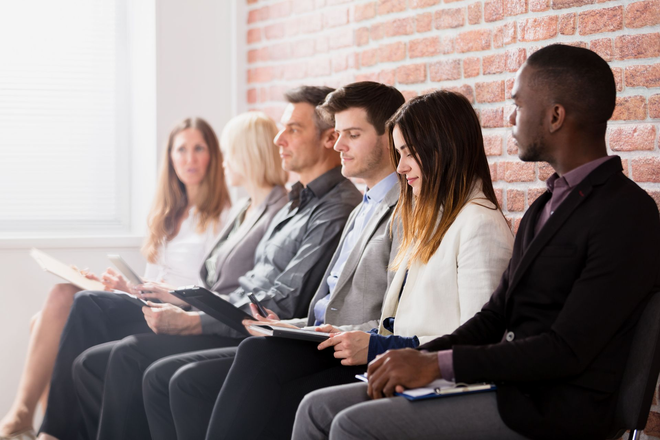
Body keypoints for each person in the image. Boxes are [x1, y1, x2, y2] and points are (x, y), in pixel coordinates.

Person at [293, 44, 660, 440]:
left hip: (555, 408)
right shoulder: (544, 206)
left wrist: (437, 367)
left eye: (518, 105)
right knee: (317, 408)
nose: (509, 117)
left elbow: (567, 349)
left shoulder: (626, 212)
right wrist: (417, 356)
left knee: (352, 425)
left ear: (555, 116)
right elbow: (493, 317)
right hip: (512, 389)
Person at [202, 88, 514, 440]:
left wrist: (378, 345)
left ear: (443, 149)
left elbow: (477, 344)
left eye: (409, 154)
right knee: (265, 362)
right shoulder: (432, 220)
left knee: (287, 388)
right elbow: (392, 319)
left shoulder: (480, 225)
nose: (401, 167)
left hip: (427, 375)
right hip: (393, 358)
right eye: (400, 154)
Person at [69, 86, 363, 440]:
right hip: (237, 319)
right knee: (96, 343)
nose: (279, 139)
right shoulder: (295, 203)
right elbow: (249, 284)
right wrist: (184, 300)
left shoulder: (335, 207)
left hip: (258, 331)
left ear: (328, 139)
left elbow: (283, 302)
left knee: (140, 361)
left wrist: (193, 320)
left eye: (293, 129)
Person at [141, 81, 406, 440]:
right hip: (308, 334)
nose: (340, 143)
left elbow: (393, 312)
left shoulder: (384, 209)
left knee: (230, 362)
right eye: (339, 134)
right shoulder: (361, 206)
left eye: (351, 134)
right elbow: (318, 303)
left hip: (344, 347)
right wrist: (292, 326)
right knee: (182, 373)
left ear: (389, 138)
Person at [33, 112, 288, 440]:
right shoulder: (197, 213)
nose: (197, 159)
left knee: (86, 307)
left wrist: (173, 297)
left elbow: (218, 285)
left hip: (193, 310)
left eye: (203, 149)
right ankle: (52, 430)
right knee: (73, 309)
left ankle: (50, 432)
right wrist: (129, 289)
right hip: (169, 300)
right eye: (181, 150)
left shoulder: (231, 214)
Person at [0, 117, 230, 440]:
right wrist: (120, 288)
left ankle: (42, 429)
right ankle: (33, 421)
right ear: (170, 157)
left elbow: (211, 289)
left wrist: (144, 295)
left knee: (70, 306)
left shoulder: (221, 217)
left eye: (199, 149)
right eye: (181, 149)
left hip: (179, 314)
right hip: (147, 303)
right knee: (54, 304)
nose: (189, 158)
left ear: (213, 156)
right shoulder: (168, 215)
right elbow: (149, 283)